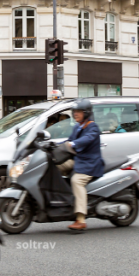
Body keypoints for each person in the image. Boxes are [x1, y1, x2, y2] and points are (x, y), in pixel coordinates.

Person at [56, 98, 103, 231]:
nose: (75, 114)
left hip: (90, 163)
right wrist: (54, 145)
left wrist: (73, 144)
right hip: (78, 160)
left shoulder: (92, 126)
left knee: (77, 181)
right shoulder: (78, 126)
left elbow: (86, 139)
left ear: (86, 112)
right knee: (53, 167)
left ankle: (81, 219)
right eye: (74, 111)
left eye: (78, 111)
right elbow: (69, 140)